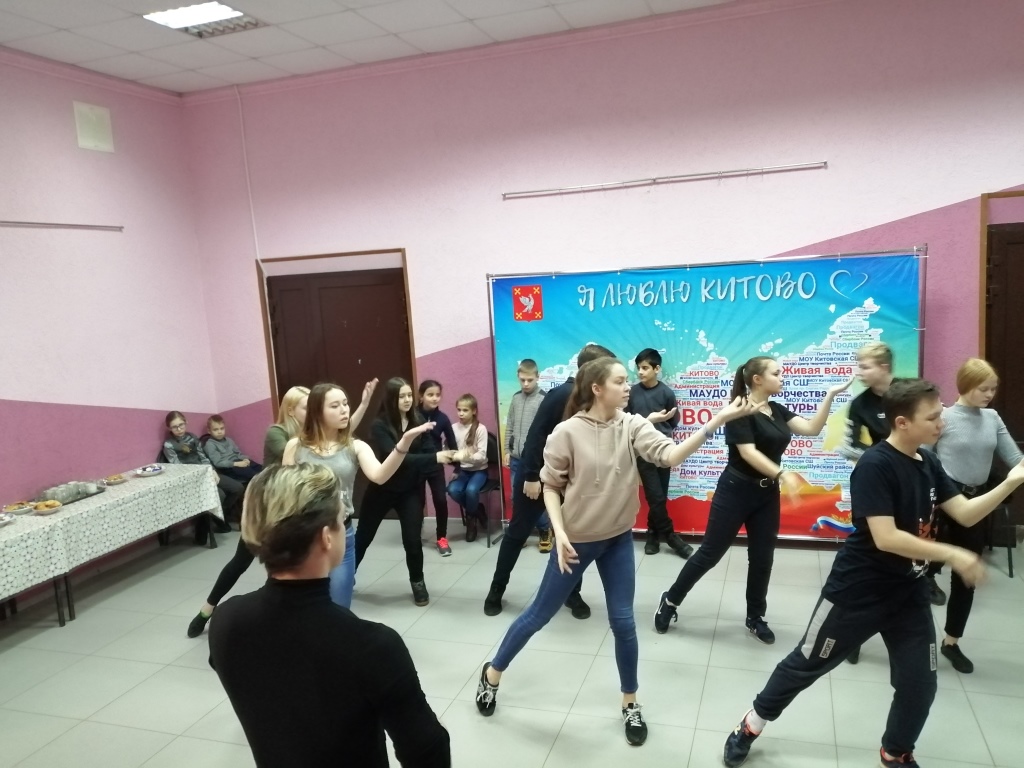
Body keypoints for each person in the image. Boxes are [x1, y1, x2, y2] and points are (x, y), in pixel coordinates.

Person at [721, 378, 1024, 768]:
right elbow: (886, 537)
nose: (942, 423)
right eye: (933, 417)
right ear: (902, 423)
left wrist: (1012, 480)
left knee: (920, 684)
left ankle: (896, 752)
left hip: (908, 593)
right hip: (857, 591)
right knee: (807, 663)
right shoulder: (875, 465)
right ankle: (752, 723)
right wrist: (953, 554)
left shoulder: (928, 461)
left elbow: (964, 513)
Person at [475, 357, 753, 746]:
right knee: (539, 614)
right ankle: (492, 673)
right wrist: (559, 533)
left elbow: (670, 456)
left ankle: (630, 702)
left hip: (618, 538)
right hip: (576, 540)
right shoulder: (566, 433)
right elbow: (551, 486)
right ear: (597, 388)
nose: (628, 387)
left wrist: (715, 422)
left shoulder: (632, 425)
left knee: (623, 623)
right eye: (620, 381)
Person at [209, 463, 451, 768]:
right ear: (326, 537)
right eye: (341, 519)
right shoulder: (372, 646)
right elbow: (428, 752)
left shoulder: (226, 620)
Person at [653, 356, 853, 644]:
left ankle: (755, 617)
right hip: (735, 491)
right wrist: (782, 473)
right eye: (776, 373)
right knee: (710, 554)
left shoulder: (776, 409)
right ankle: (670, 600)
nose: (782, 377)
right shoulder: (739, 410)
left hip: (766, 494)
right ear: (757, 379)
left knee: (762, 558)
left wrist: (830, 395)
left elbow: (811, 428)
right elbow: (748, 453)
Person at [483, 343, 614, 618]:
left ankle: (572, 594)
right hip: (537, 479)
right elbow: (536, 436)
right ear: (589, 370)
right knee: (517, 533)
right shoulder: (562, 395)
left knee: (572, 538)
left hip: (568, 483)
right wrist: (531, 476)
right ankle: (496, 590)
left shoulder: (593, 399)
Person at [284, 381, 435, 609]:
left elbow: (380, 475)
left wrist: (404, 443)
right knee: (305, 606)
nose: (344, 410)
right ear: (317, 411)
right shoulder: (295, 446)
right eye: (335, 405)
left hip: (340, 533)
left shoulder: (355, 446)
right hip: (304, 534)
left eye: (345, 404)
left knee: (339, 606)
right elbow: (285, 492)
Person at [187, 386, 309, 639]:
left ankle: (282, 618)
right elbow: (296, 455)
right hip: (264, 507)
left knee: (287, 566)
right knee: (241, 561)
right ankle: (207, 609)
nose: (313, 411)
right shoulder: (277, 432)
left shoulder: (309, 433)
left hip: (291, 508)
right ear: (291, 410)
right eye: (307, 407)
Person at [928, 359, 1022, 674]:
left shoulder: (992, 418)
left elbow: (1015, 458)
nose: (990, 394)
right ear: (966, 385)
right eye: (984, 388)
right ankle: (880, 630)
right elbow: (922, 457)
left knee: (966, 577)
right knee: (916, 573)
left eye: (993, 389)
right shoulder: (943, 417)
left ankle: (951, 642)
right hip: (943, 501)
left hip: (978, 501)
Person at [354, 378, 454, 607]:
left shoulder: (417, 420)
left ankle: (418, 582)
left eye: (409, 395)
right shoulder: (380, 425)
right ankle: (346, 576)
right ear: (392, 398)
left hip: (409, 491)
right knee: (363, 537)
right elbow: (398, 458)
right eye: (402, 396)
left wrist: (450, 456)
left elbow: (428, 450)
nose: (408, 400)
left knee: (412, 540)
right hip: (381, 490)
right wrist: (434, 457)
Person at [839, 343, 895, 664]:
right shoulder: (859, 404)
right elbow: (848, 447)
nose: (859, 371)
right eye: (858, 365)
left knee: (900, 561)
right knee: (867, 561)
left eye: (865, 366)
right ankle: (854, 633)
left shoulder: (910, 393)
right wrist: (882, 459)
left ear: (884, 367)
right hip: (874, 484)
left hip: (909, 486)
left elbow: (931, 434)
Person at [625, 347, 692, 558]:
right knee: (655, 496)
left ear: (657, 369)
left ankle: (653, 534)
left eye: (645, 368)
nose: (640, 372)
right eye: (638, 368)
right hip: (642, 452)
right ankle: (671, 537)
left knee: (660, 496)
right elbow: (626, 420)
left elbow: (672, 420)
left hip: (664, 450)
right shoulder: (632, 393)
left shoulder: (666, 393)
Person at [162, 411, 238, 538]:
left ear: (186, 422)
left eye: (181, 425)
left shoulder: (192, 437)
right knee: (220, 494)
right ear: (169, 428)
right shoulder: (169, 444)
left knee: (236, 488)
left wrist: (212, 470)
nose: (179, 429)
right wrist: (199, 476)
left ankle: (217, 516)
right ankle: (210, 522)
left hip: (205, 472)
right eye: (175, 427)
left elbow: (202, 457)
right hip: (191, 479)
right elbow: (177, 467)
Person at [503, 359, 551, 551]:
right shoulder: (515, 398)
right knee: (517, 498)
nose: (525, 384)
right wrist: (507, 450)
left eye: (529, 380)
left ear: (537, 377)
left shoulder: (543, 399)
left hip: (535, 461)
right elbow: (510, 425)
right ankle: (521, 533)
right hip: (516, 458)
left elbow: (546, 431)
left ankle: (544, 530)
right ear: (518, 376)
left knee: (535, 498)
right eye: (522, 380)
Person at [417, 380, 458, 556]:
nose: (434, 398)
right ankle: (415, 534)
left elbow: (452, 443)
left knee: (440, 500)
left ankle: (441, 538)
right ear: (421, 396)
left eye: (437, 395)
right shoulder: (412, 416)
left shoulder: (443, 418)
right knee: (417, 502)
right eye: (430, 395)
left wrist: (457, 468)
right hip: (417, 465)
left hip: (435, 465)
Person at [447, 394, 490, 542]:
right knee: (452, 490)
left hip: (479, 471)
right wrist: (455, 467)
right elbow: (451, 452)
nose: (461, 413)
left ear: (474, 411)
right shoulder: (453, 428)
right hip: (463, 471)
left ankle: (471, 522)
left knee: (471, 491)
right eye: (459, 410)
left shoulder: (480, 429)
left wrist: (464, 456)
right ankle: (478, 510)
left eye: (465, 410)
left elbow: (482, 456)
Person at [204, 414, 263, 484]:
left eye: (222, 428)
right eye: (215, 429)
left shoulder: (229, 440)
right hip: (228, 467)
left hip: (239, 461)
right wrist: (236, 464)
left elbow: (238, 453)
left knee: (262, 469)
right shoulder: (210, 444)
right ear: (209, 431)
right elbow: (218, 463)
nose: (219, 432)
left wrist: (245, 459)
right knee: (254, 475)